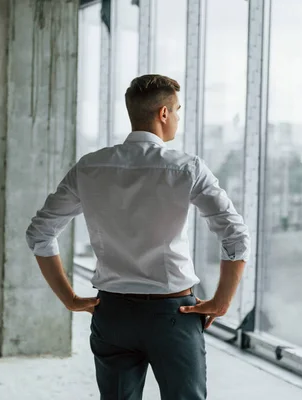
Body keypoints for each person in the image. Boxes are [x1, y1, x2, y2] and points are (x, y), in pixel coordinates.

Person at [25, 74, 250, 400]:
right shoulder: (187, 168)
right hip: (173, 314)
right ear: (162, 113)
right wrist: (221, 301)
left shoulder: (90, 167)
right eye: (176, 111)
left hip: (113, 312)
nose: (176, 118)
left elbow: (40, 233)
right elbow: (235, 235)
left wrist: (69, 298)